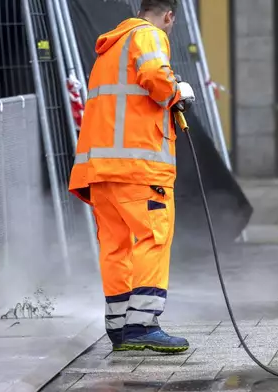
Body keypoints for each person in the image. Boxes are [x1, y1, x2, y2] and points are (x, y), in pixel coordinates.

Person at [68, 0, 195, 353]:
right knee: (153, 238)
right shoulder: (150, 35)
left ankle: (119, 328)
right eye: (171, 22)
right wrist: (177, 93)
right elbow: (156, 76)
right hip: (139, 171)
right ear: (168, 15)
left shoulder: (109, 49)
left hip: (101, 172)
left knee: (116, 247)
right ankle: (142, 325)